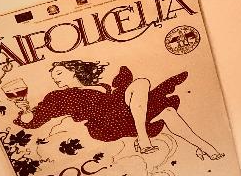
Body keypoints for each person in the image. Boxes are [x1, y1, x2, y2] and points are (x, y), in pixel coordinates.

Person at [15, 60, 223, 160]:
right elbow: (37, 118)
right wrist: (25, 111)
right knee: (141, 84)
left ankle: (207, 148)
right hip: (105, 124)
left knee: (164, 108)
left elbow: (123, 92)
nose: (56, 78)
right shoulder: (60, 96)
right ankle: (144, 139)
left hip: (126, 114)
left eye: (59, 73)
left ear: (74, 70)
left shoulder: (102, 86)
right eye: (54, 77)